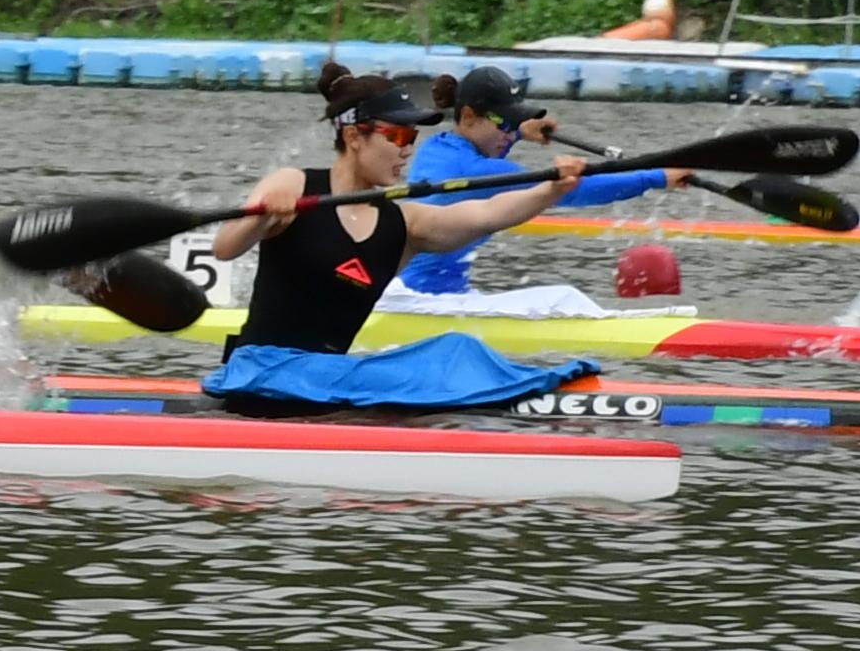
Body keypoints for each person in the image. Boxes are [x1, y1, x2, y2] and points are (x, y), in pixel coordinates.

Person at [199, 64, 591, 411]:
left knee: (458, 348)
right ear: (354, 137)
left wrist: (552, 190)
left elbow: (485, 215)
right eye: (399, 135)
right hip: (261, 377)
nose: (407, 151)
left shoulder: (404, 223)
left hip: (324, 384)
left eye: (413, 138)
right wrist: (263, 216)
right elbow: (225, 247)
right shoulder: (295, 184)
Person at [380, 64, 684, 319]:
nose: (509, 132)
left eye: (514, 123)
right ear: (469, 116)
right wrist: (657, 177)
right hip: (423, 305)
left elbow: (483, 149)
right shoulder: (478, 172)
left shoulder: (437, 148)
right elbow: (576, 189)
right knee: (564, 298)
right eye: (504, 123)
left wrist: (517, 133)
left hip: (414, 294)